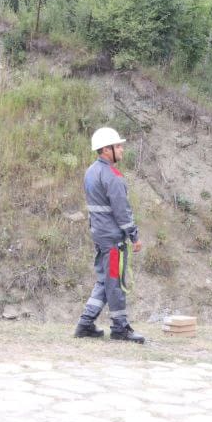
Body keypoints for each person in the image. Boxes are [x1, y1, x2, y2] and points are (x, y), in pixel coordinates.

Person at [74, 127, 146, 343]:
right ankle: (120, 328)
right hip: (113, 237)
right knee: (115, 282)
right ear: (106, 150)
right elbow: (121, 211)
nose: (122, 149)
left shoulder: (90, 171)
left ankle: (85, 324)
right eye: (118, 146)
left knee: (105, 280)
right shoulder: (112, 176)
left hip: (99, 234)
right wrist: (134, 236)